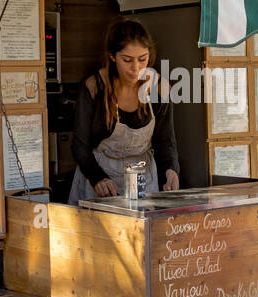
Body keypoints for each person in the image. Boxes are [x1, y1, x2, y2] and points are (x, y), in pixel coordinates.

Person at [68, 19, 179, 203]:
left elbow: (165, 140)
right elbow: (79, 145)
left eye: (142, 59)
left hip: (143, 178)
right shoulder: (94, 86)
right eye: (127, 60)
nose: (136, 68)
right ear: (112, 56)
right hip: (99, 179)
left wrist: (171, 169)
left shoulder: (159, 88)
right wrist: (97, 178)